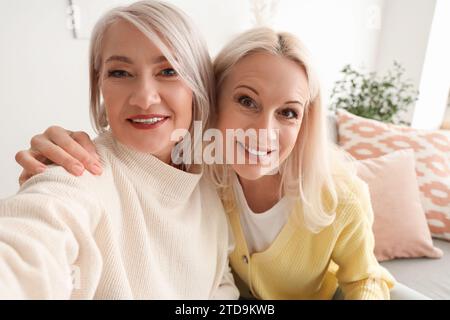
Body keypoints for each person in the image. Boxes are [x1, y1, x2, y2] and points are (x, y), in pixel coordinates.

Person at [15, 24, 430, 299]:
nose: (265, 131)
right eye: (246, 101)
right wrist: (60, 153)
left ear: (305, 121)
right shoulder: (199, 168)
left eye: (288, 112)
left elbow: (365, 280)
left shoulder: (340, 197)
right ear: (212, 99)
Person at [0, 1, 239, 299]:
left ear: (198, 83)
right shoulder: (80, 171)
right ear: (99, 84)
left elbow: (219, 283)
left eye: (168, 70)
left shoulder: (208, 179)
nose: (144, 98)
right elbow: (26, 244)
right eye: (121, 73)